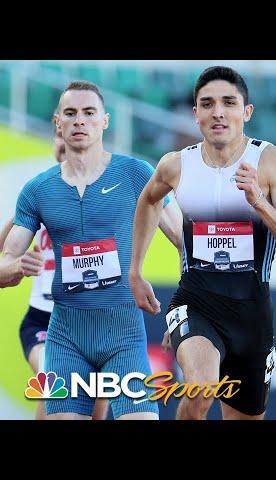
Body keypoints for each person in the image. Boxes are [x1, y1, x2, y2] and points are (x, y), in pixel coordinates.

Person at [129, 66, 276, 420]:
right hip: (196, 301)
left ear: (247, 112)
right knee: (201, 389)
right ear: (195, 113)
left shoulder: (272, 162)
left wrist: (259, 202)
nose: (218, 112)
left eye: (229, 103)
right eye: (208, 104)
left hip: (252, 312)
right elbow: (148, 200)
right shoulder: (175, 165)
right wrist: (135, 271)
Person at [0, 81, 183, 420]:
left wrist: (184, 307)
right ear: (58, 123)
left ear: (105, 121)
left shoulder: (136, 174)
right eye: (70, 114)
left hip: (124, 335)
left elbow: (183, 241)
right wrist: (16, 266)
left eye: (88, 113)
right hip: (66, 337)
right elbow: (4, 265)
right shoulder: (38, 190)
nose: (79, 121)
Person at [0, 118, 109, 420]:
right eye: (58, 136)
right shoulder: (37, 194)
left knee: (94, 410)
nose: (65, 142)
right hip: (44, 319)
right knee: (56, 384)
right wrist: (16, 264)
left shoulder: (110, 190)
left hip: (96, 320)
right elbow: (2, 256)